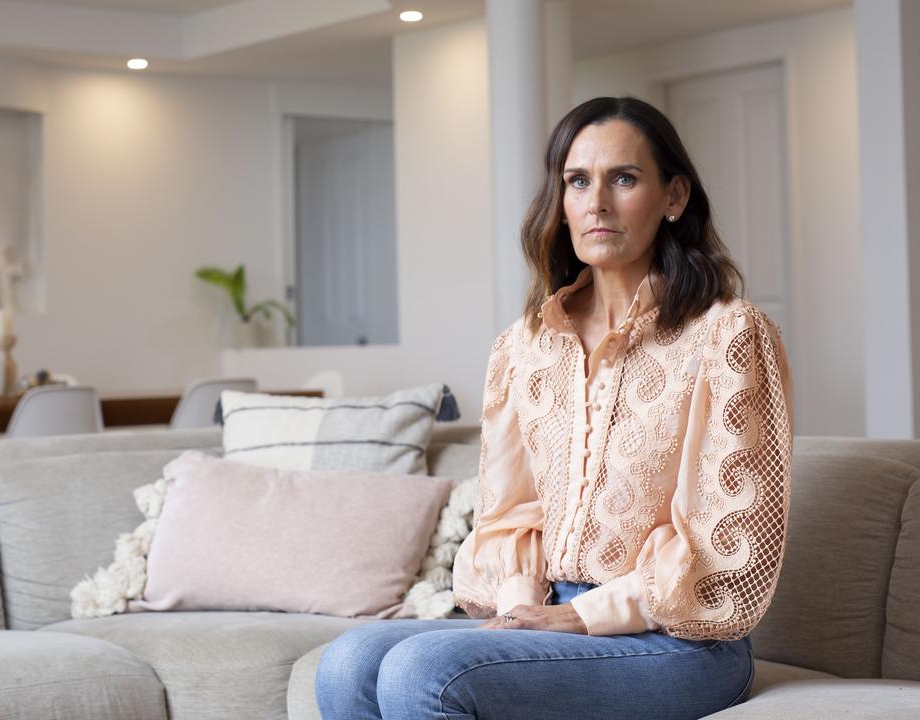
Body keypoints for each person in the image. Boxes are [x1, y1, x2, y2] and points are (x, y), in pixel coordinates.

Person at [313, 96, 794, 720]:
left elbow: (723, 548)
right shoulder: (525, 346)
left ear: (673, 197)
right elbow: (513, 512)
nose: (597, 202)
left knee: (422, 673)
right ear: (560, 201)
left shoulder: (728, 336)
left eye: (624, 179)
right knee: (348, 662)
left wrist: (577, 617)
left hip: (677, 638)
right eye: (577, 181)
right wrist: (522, 610)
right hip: (547, 607)